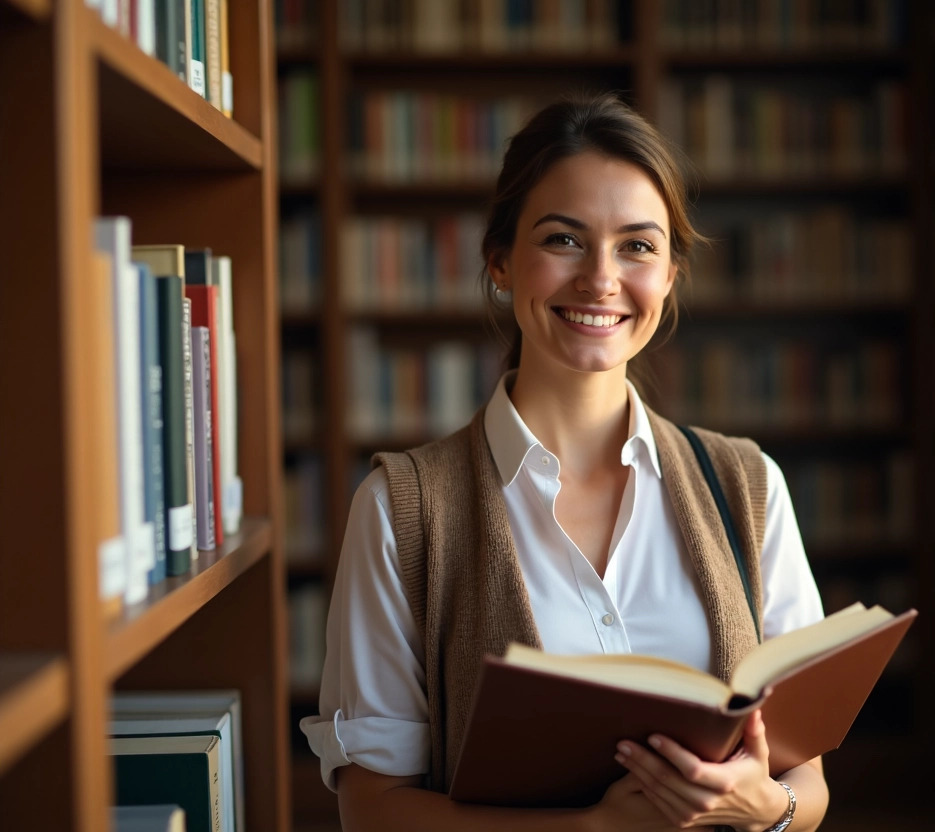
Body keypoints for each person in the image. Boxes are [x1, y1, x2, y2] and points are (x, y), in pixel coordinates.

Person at [300, 92, 830, 832]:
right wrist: (594, 831)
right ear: (500, 262)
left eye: (638, 246)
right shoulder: (402, 509)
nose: (602, 280)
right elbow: (370, 808)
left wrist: (771, 807)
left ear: (670, 275)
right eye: (564, 240)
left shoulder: (748, 486)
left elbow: (806, 779)